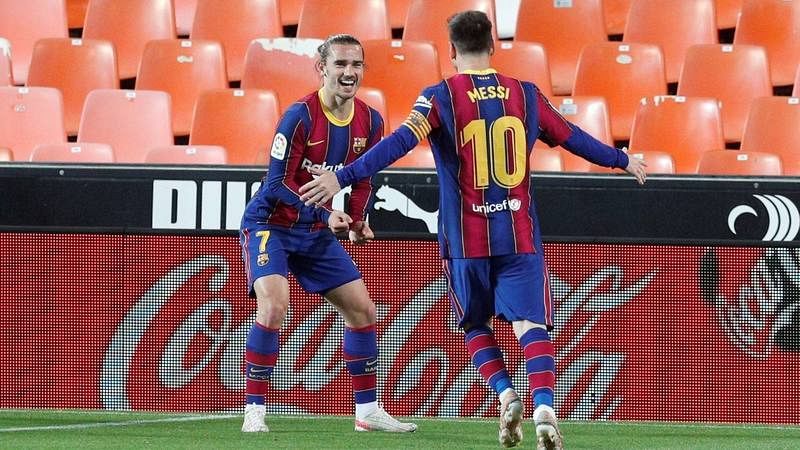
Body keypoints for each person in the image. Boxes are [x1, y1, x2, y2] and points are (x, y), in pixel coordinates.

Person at [299, 11, 646, 450]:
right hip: (518, 235)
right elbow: (573, 136)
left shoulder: (440, 97)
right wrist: (621, 159)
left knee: (475, 324)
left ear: (451, 51)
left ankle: (504, 393)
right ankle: (543, 404)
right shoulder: (526, 94)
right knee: (529, 324)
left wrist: (342, 177)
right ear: (493, 48)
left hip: (465, 242)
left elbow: (399, 143)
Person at [238, 33, 417, 434]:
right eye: (340, 64)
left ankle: (367, 412)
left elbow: (365, 178)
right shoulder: (299, 115)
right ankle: (254, 410)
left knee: (363, 311)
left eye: (356, 65)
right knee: (275, 305)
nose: (349, 72)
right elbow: (275, 183)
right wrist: (327, 210)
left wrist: (356, 219)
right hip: (271, 224)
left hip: (316, 229)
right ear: (322, 68)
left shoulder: (371, 121)